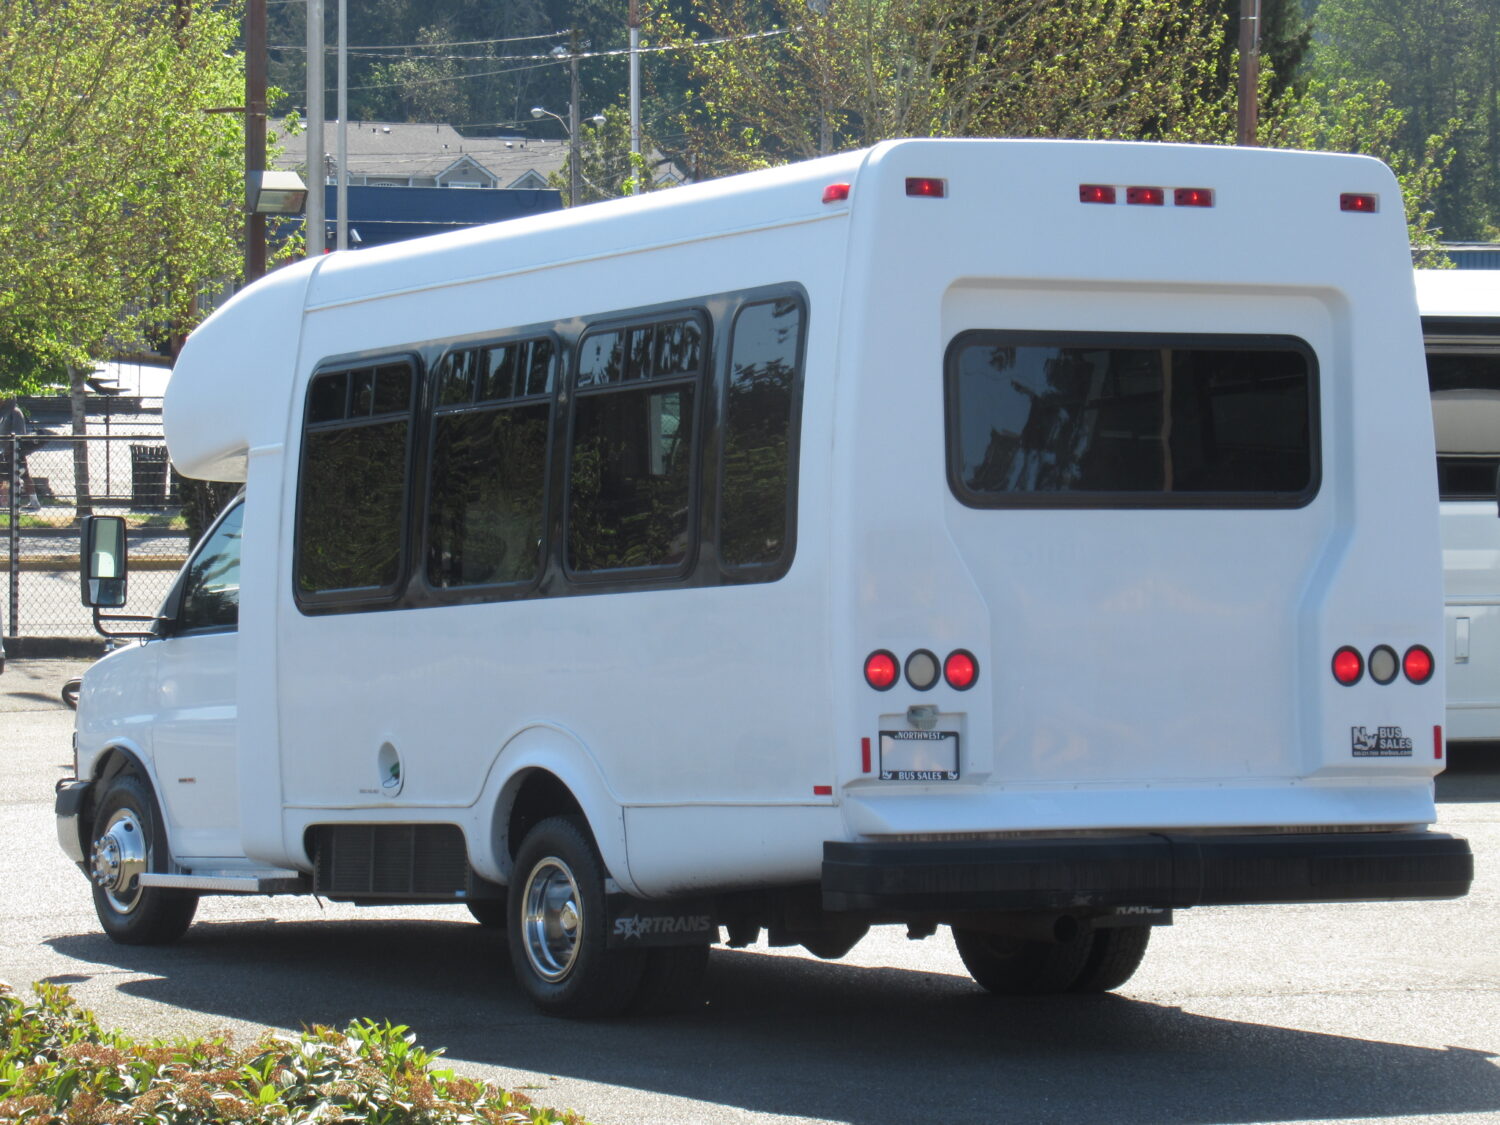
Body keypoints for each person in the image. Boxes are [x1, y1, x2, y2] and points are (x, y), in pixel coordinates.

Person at [0, 395, 41, 511]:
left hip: (15, 450)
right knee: (2, 477)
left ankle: (34, 502)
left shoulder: (15, 412)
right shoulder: (2, 413)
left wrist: (11, 446)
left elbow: (19, 432)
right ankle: (4, 503)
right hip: (2, 451)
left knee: (24, 475)